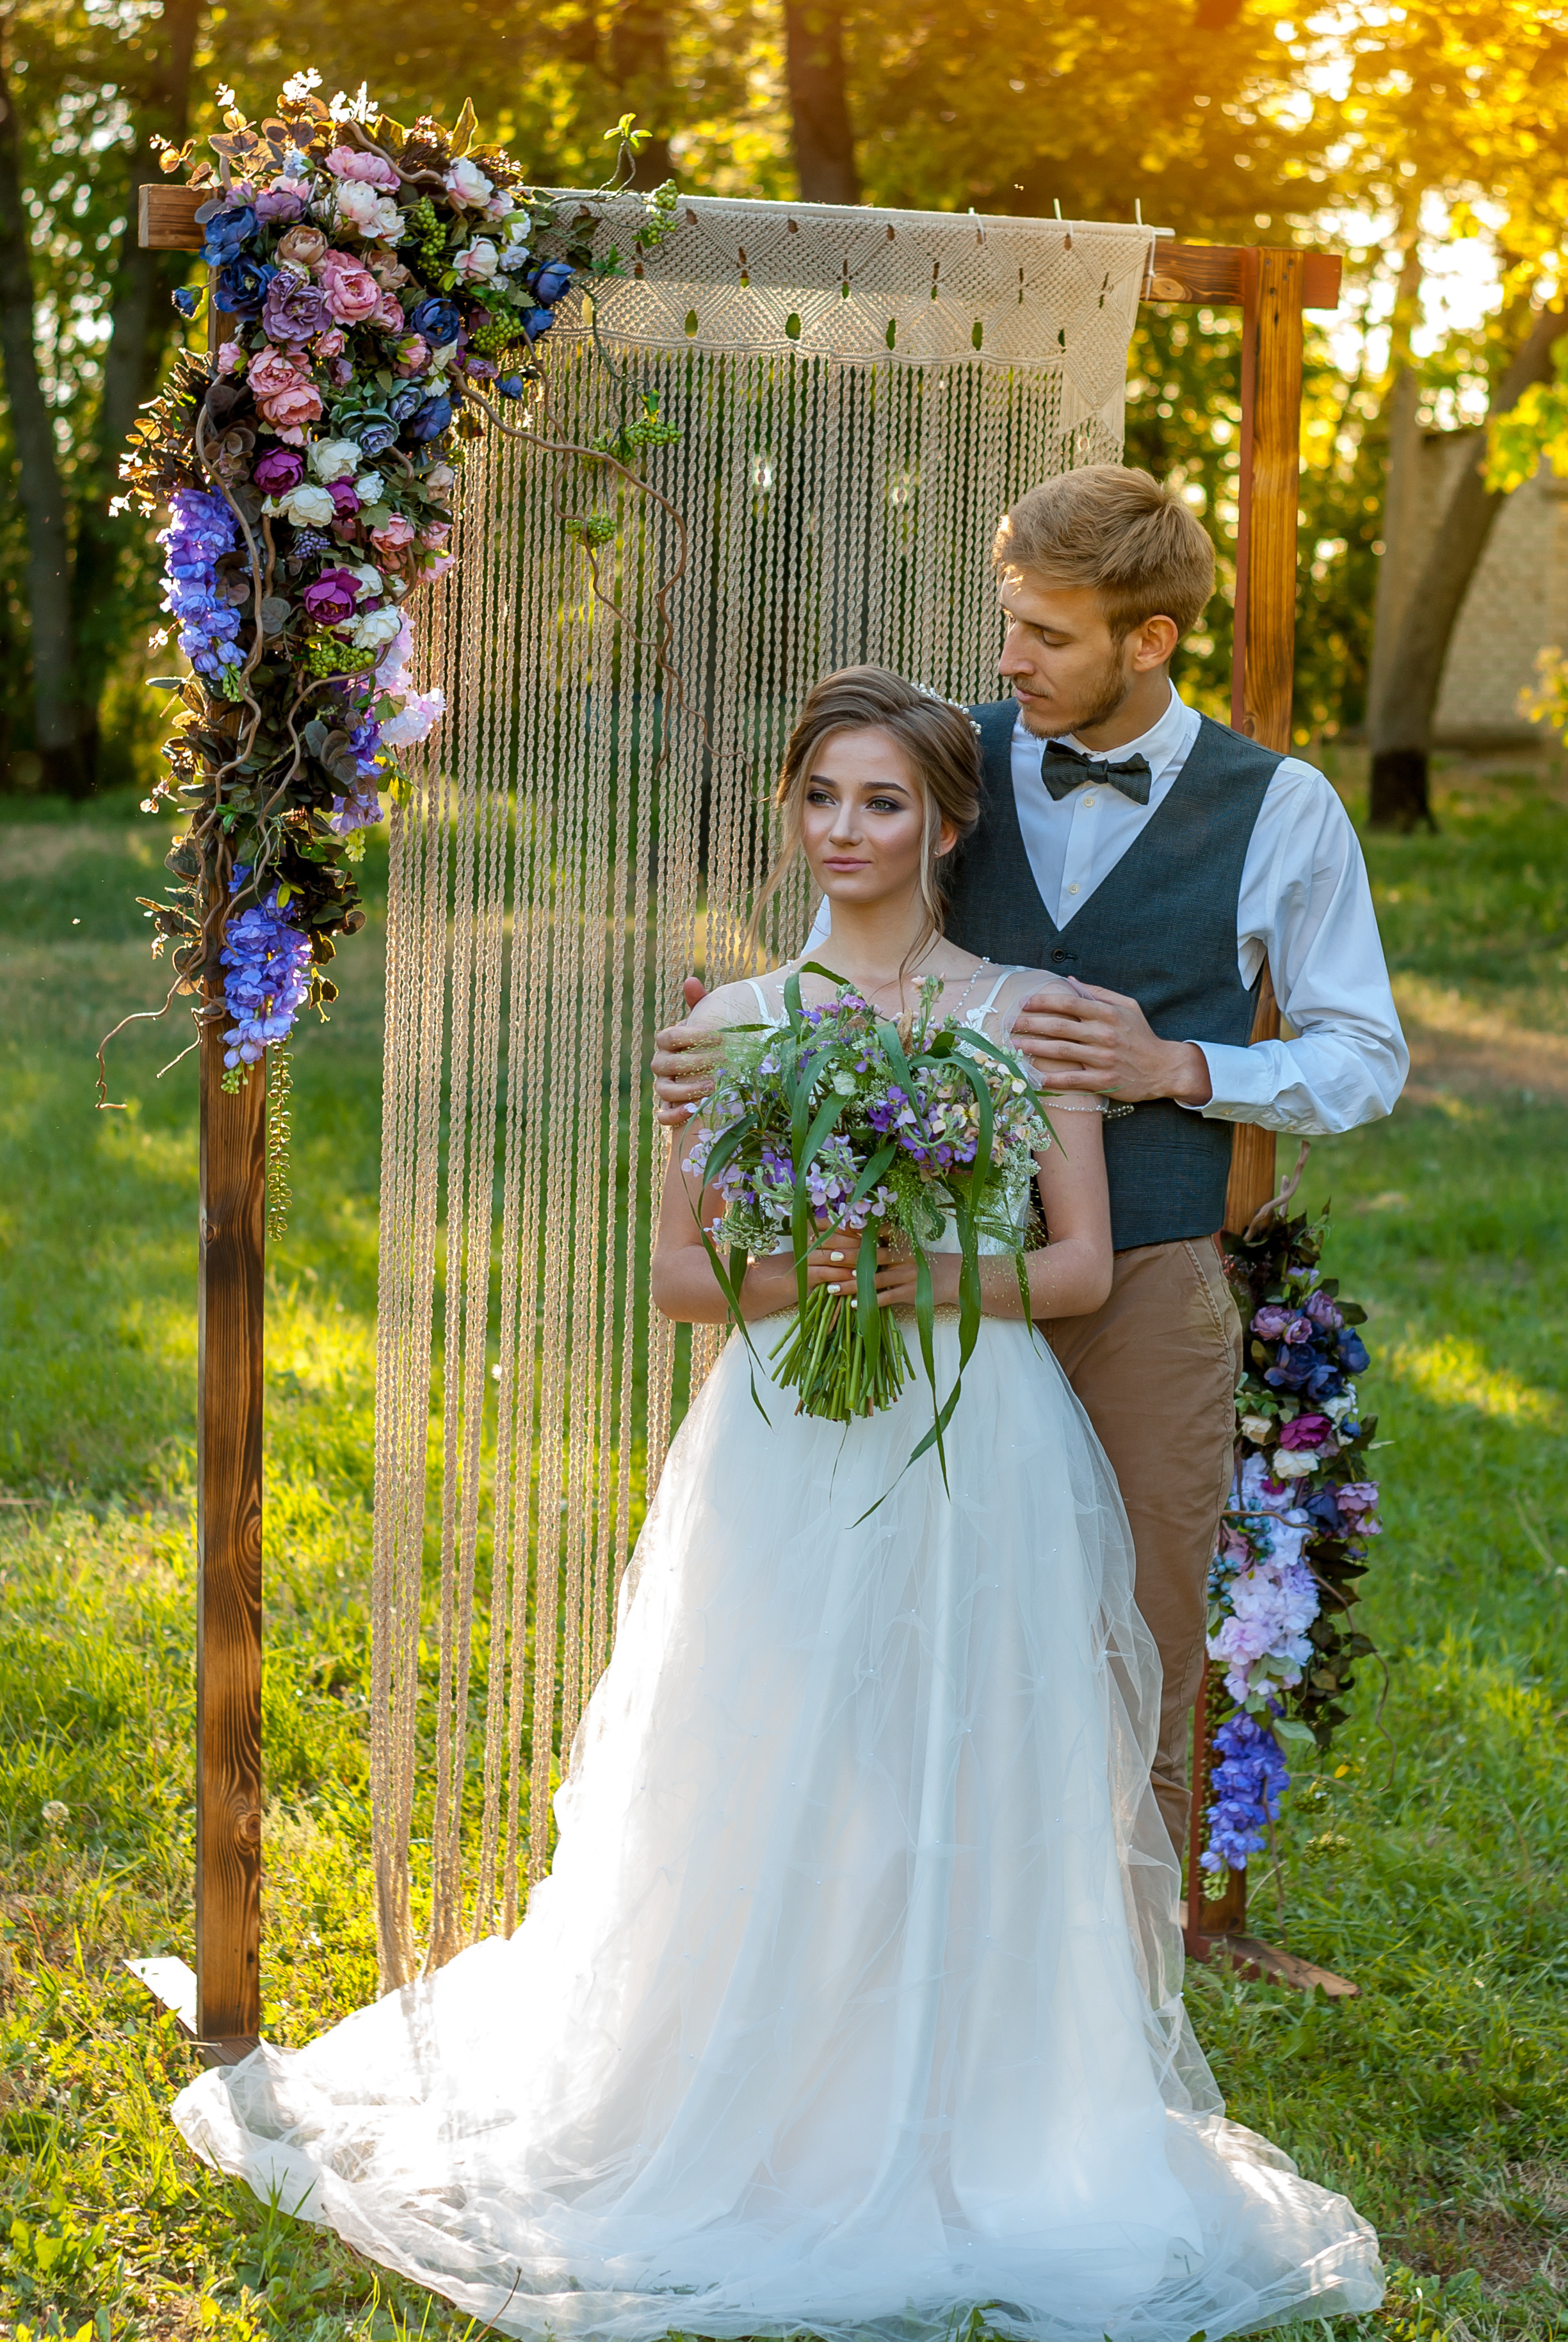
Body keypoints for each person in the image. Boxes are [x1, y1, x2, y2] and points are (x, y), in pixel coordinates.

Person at [173, 667, 1384, 2341]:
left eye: (881, 802)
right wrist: (805, 1272)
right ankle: (769, 2081)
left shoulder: (1028, 1015)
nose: (844, 830)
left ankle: (972, 2094)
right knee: (781, 1744)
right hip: (785, 1437)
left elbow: (1078, 1266)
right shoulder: (736, 1024)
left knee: (970, 1741)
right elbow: (680, 1275)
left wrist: (924, 1275)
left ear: (948, 827)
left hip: (982, 1440)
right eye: (820, 797)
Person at [653, 465, 1408, 1861]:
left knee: (1133, 1656)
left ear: (1149, 639)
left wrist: (1179, 1067)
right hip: (911, 1300)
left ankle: (1114, 1971)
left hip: (1142, 1282)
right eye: (1011, 622)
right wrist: (737, 1057)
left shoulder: (1280, 806)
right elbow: (844, 955)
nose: (1011, 659)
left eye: (1048, 635)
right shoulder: (943, 759)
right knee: (894, 1646)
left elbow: (1366, 1055)